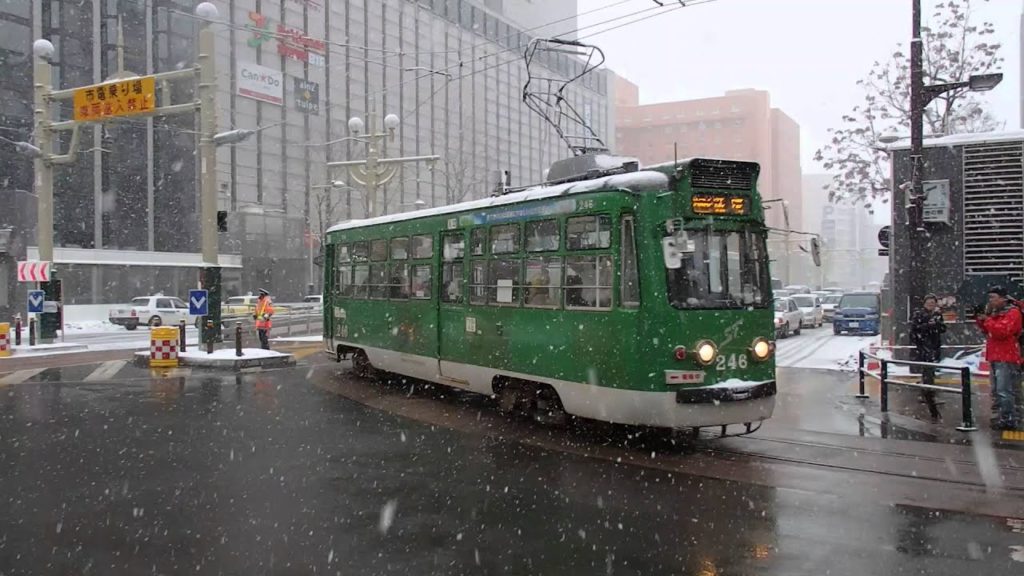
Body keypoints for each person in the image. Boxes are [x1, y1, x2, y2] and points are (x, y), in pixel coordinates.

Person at [975, 286, 1022, 430]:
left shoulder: (1013, 312)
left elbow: (1002, 331)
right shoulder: (995, 313)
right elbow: (988, 331)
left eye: (993, 297)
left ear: (1002, 298)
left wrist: (988, 320)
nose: (990, 301)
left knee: (1004, 390)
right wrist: (981, 319)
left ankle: (1009, 418)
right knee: (997, 390)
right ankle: (1002, 415)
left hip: (1006, 355)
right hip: (996, 355)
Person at [910, 294, 945, 420]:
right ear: (924, 303)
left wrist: (937, 325)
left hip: (935, 346)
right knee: (927, 370)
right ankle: (928, 394)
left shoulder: (937, 315)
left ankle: (929, 392)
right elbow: (914, 330)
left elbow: (943, 328)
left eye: (933, 303)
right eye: (928, 302)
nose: (931, 305)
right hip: (923, 347)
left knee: (931, 370)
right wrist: (927, 326)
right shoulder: (919, 314)